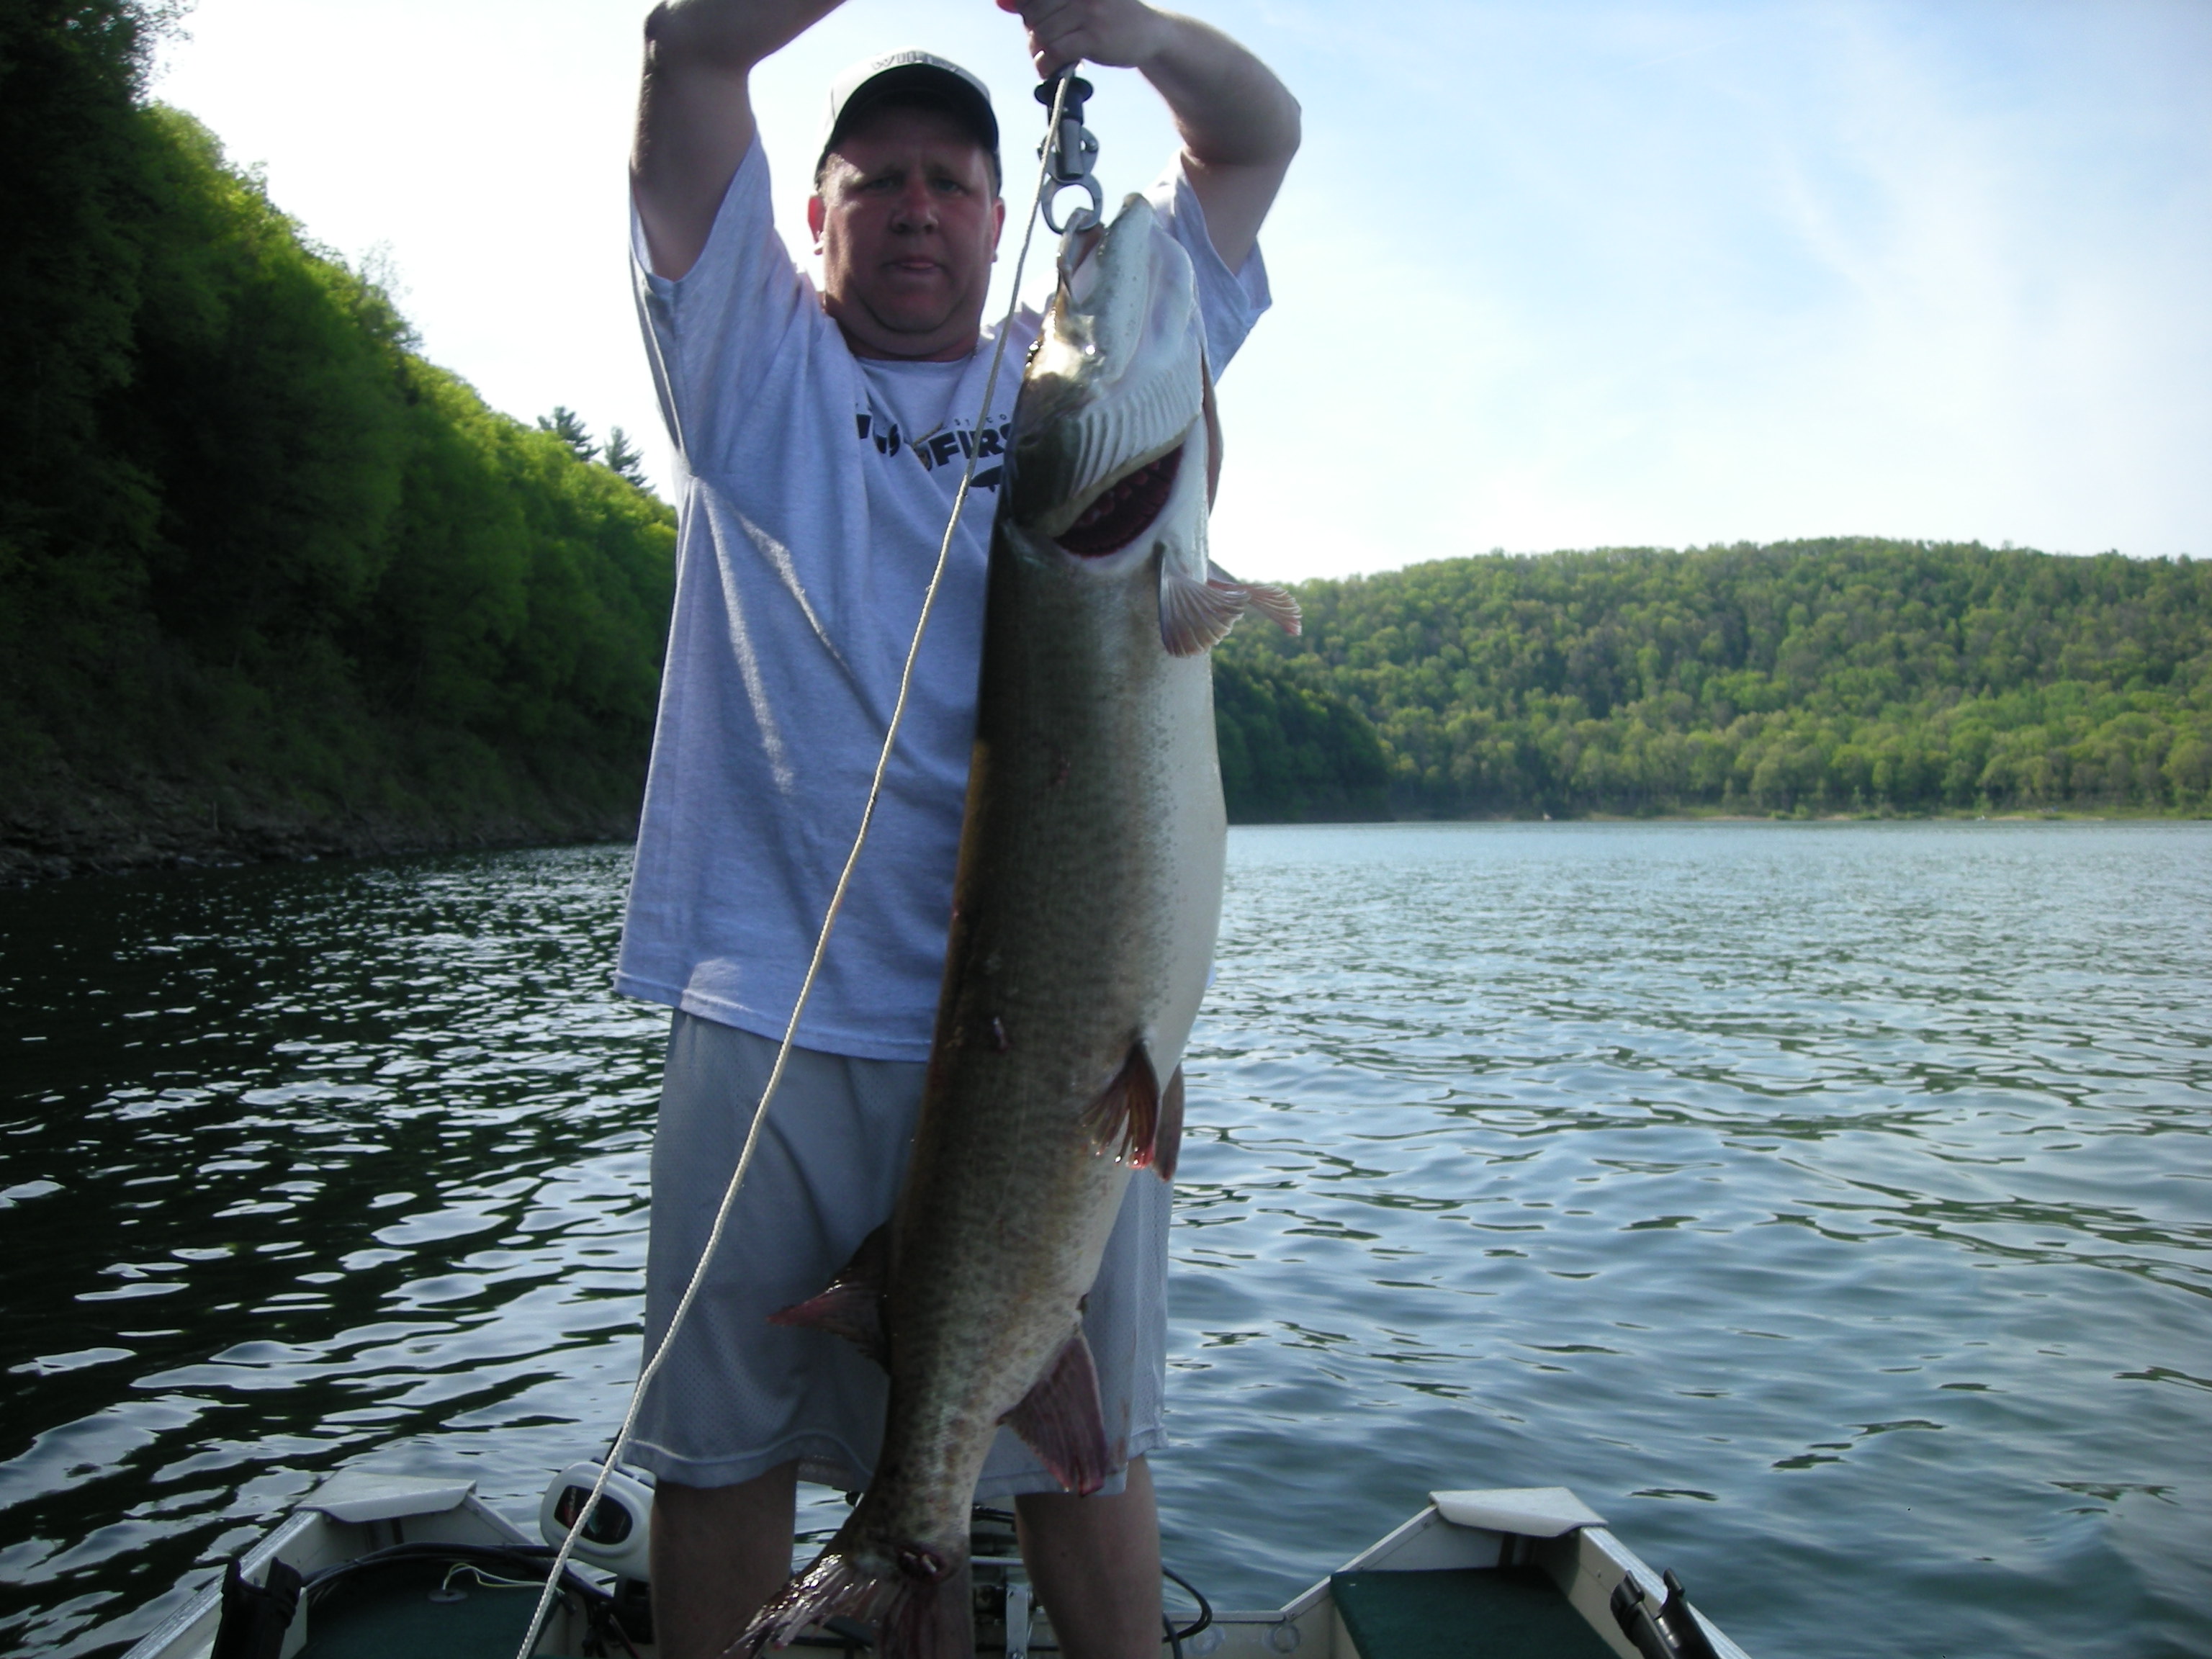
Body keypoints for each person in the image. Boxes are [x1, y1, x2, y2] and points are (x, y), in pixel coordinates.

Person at [616, 4, 1298, 1655]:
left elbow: (1253, 137)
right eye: (880, 182)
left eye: (950, 182)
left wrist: (1120, 29)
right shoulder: (750, 367)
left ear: (1004, 222)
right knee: (720, 1450)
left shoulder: (1081, 374)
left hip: (1061, 1030)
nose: (918, 208)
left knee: (1086, 1453)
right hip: (773, 1006)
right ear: (815, 216)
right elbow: (686, 52)